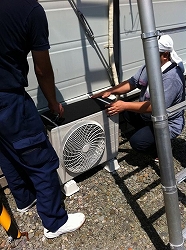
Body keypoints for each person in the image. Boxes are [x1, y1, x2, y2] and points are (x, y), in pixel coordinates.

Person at [0, 0, 85, 239]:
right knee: (41, 159)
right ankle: (54, 222)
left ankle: (24, 199)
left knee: (6, 152)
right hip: (8, 99)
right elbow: (42, 69)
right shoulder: (30, 10)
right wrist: (51, 101)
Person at [92, 35, 185, 154]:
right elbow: (132, 82)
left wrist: (125, 105)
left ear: (165, 55)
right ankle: (149, 134)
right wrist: (111, 91)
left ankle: (161, 150)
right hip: (149, 116)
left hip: (168, 122)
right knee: (125, 111)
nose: (148, 57)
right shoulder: (151, 65)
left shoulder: (172, 77)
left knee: (137, 142)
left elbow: (156, 107)